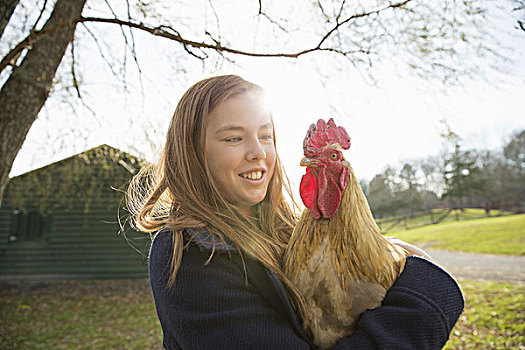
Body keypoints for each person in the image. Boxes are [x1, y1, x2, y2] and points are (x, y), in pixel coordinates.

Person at [127, 75, 464, 349]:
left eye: (266, 135)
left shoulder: (288, 232)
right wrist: (427, 293)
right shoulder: (189, 253)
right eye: (233, 139)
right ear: (192, 152)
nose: (257, 152)